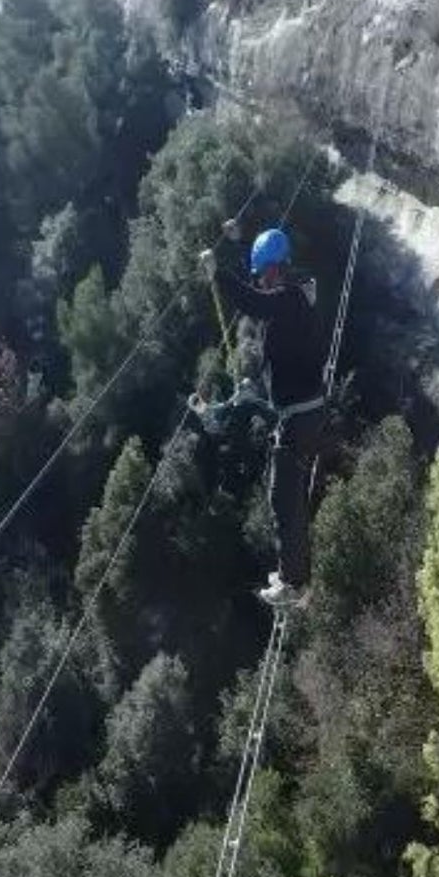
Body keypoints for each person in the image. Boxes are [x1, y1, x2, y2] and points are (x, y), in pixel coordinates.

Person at [197, 218, 325, 608]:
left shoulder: (285, 299)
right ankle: (295, 575)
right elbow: (262, 291)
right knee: (288, 498)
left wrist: (218, 273)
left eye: (263, 275)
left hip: (299, 416)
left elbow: (255, 301)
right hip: (303, 412)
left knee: (284, 499)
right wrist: (239, 245)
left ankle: (294, 583)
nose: (262, 282)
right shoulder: (297, 291)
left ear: (274, 270)